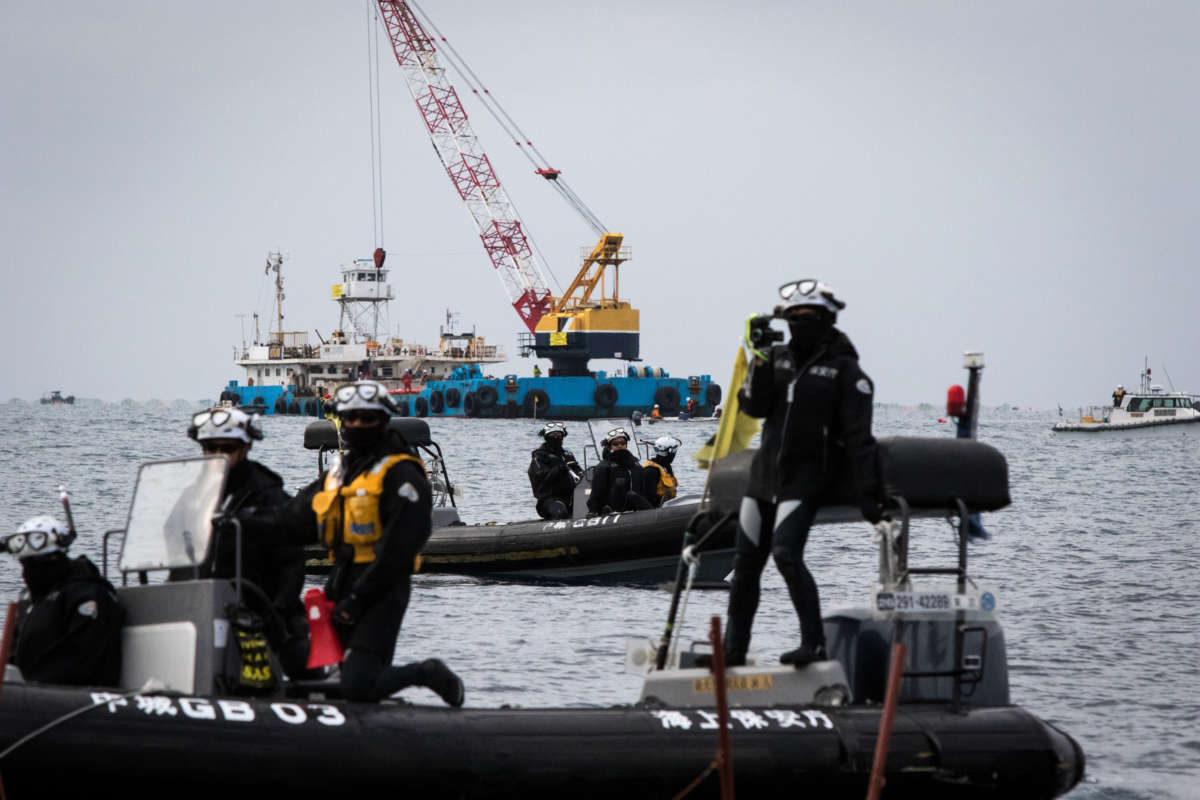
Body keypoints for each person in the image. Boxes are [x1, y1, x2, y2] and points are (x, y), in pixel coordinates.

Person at [242, 380, 464, 705]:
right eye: (351, 418)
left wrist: (358, 600)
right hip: (341, 580)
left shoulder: (403, 475)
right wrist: (244, 522)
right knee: (339, 672)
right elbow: (297, 517)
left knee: (358, 684)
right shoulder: (343, 470)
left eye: (366, 418)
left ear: (384, 420)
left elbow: (398, 552)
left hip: (382, 589)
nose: (357, 425)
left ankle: (427, 673)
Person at [719, 279, 883, 668]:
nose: (799, 324)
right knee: (745, 566)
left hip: (805, 478)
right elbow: (756, 408)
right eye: (793, 317)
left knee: (786, 555)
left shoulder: (844, 369)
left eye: (808, 317)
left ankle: (815, 644)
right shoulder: (777, 359)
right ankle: (733, 651)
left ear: (826, 319)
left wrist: (870, 493)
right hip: (762, 480)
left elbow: (860, 437)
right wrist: (757, 357)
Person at [175, 408, 310, 678]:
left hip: (258, 614)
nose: (217, 455)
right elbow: (175, 549)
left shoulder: (270, 498)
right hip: (205, 607)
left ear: (246, 447)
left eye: (227, 449)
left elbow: (293, 565)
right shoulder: (193, 495)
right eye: (209, 448)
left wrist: (275, 614)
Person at [3, 515, 124, 685]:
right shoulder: (30, 600)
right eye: (25, 564)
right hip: (28, 693)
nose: (29, 572)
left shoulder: (88, 596)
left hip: (76, 697)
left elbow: (84, 660)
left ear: (56, 558)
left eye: (38, 563)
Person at [587, 427, 653, 514]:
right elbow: (596, 494)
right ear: (610, 447)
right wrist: (594, 511)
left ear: (626, 444)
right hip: (613, 512)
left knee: (633, 495)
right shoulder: (604, 467)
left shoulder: (636, 465)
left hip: (637, 510)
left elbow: (644, 489)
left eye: (623, 443)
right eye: (615, 444)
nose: (620, 446)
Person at [528, 422, 581, 519]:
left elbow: (579, 474)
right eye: (553, 435)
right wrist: (560, 468)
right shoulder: (539, 456)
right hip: (549, 499)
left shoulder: (567, 455)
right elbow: (543, 478)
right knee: (560, 511)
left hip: (572, 497)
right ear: (546, 437)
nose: (556, 437)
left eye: (559, 435)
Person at [640, 435, 681, 507]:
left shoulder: (665, 467)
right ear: (669, 453)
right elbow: (649, 497)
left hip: (669, 507)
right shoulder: (651, 471)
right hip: (658, 511)